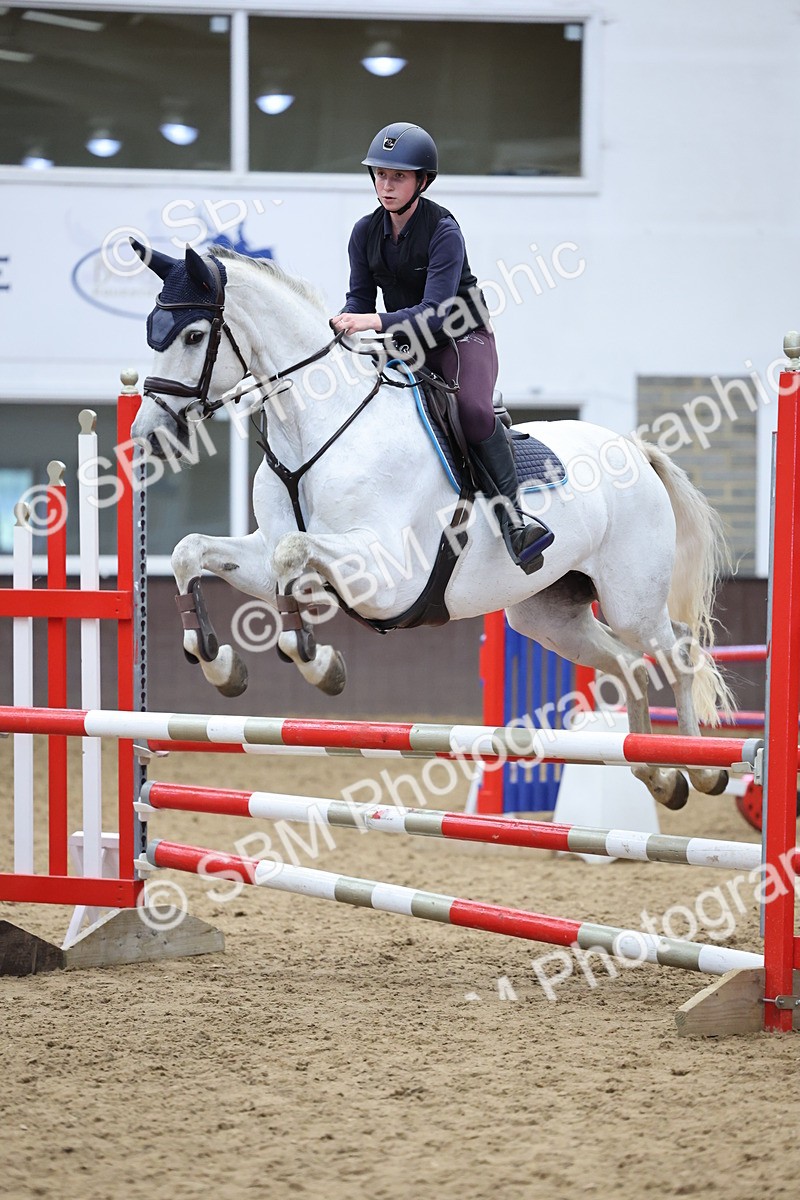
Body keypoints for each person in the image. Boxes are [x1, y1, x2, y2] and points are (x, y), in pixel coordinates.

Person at [330, 121, 554, 574]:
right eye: (380, 175)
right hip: (405, 341)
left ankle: (515, 523)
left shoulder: (443, 230)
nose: (386, 185)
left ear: (422, 182)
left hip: (460, 335)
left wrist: (370, 321)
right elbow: (360, 301)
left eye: (398, 177)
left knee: (472, 410)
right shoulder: (364, 232)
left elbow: (435, 314)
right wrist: (344, 325)